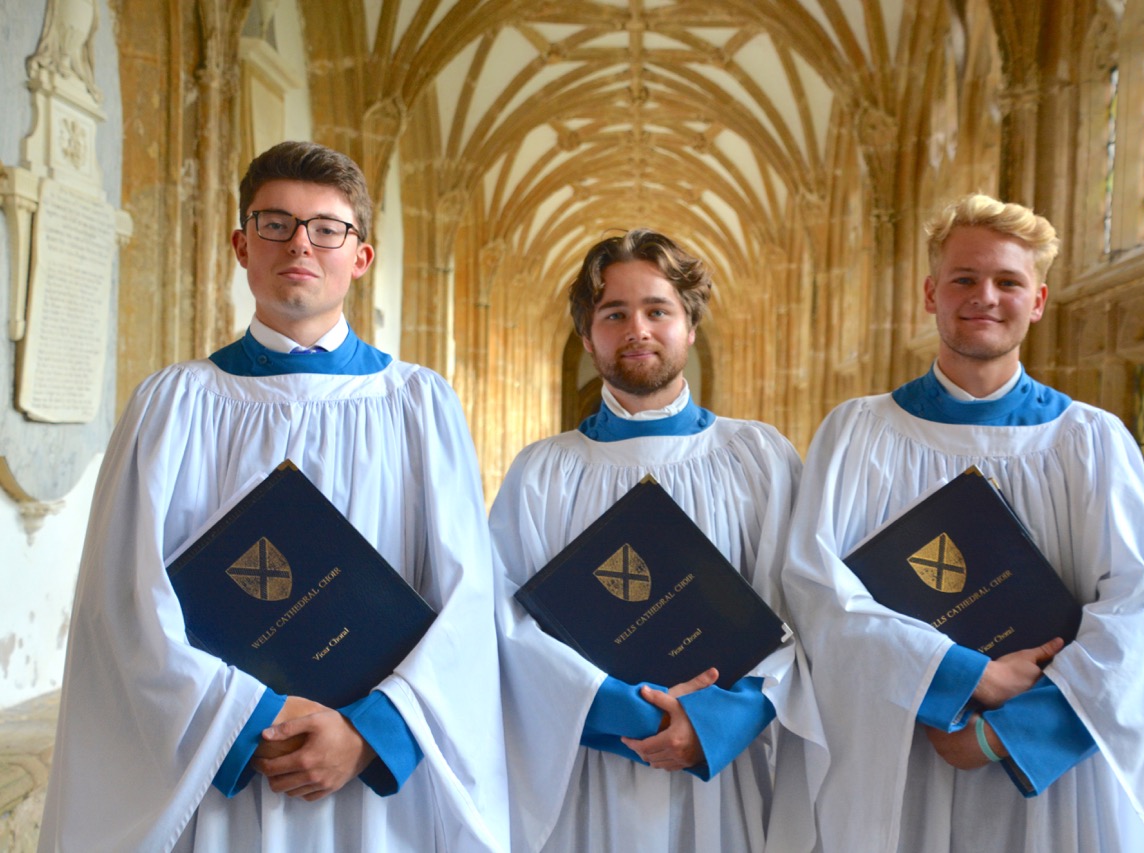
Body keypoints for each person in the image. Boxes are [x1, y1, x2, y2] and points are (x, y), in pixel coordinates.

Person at [39, 141, 508, 852]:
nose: (300, 244)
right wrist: (246, 719)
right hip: (221, 774)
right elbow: (124, 601)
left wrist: (367, 732)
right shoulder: (174, 405)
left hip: (374, 781)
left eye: (327, 228)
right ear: (240, 244)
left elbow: (468, 601)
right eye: (275, 223)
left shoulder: (417, 405)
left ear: (361, 257)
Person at [783, 193, 1144, 853]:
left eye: (1008, 282)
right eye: (964, 279)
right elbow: (815, 590)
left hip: (1050, 768)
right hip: (905, 746)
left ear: (1039, 301)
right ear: (930, 293)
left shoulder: (1090, 440)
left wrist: (1006, 731)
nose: (985, 296)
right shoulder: (857, 433)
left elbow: (1143, 607)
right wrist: (957, 674)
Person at [489, 229, 827, 853]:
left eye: (657, 310)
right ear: (588, 339)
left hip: (726, 762)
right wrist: (622, 712)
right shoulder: (543, 471)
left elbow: (803, 606)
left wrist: (724, 717)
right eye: (614, 314)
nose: (637, 329)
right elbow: (505, 621)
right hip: (592, 769)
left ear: (690, 327)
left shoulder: (759, 458)